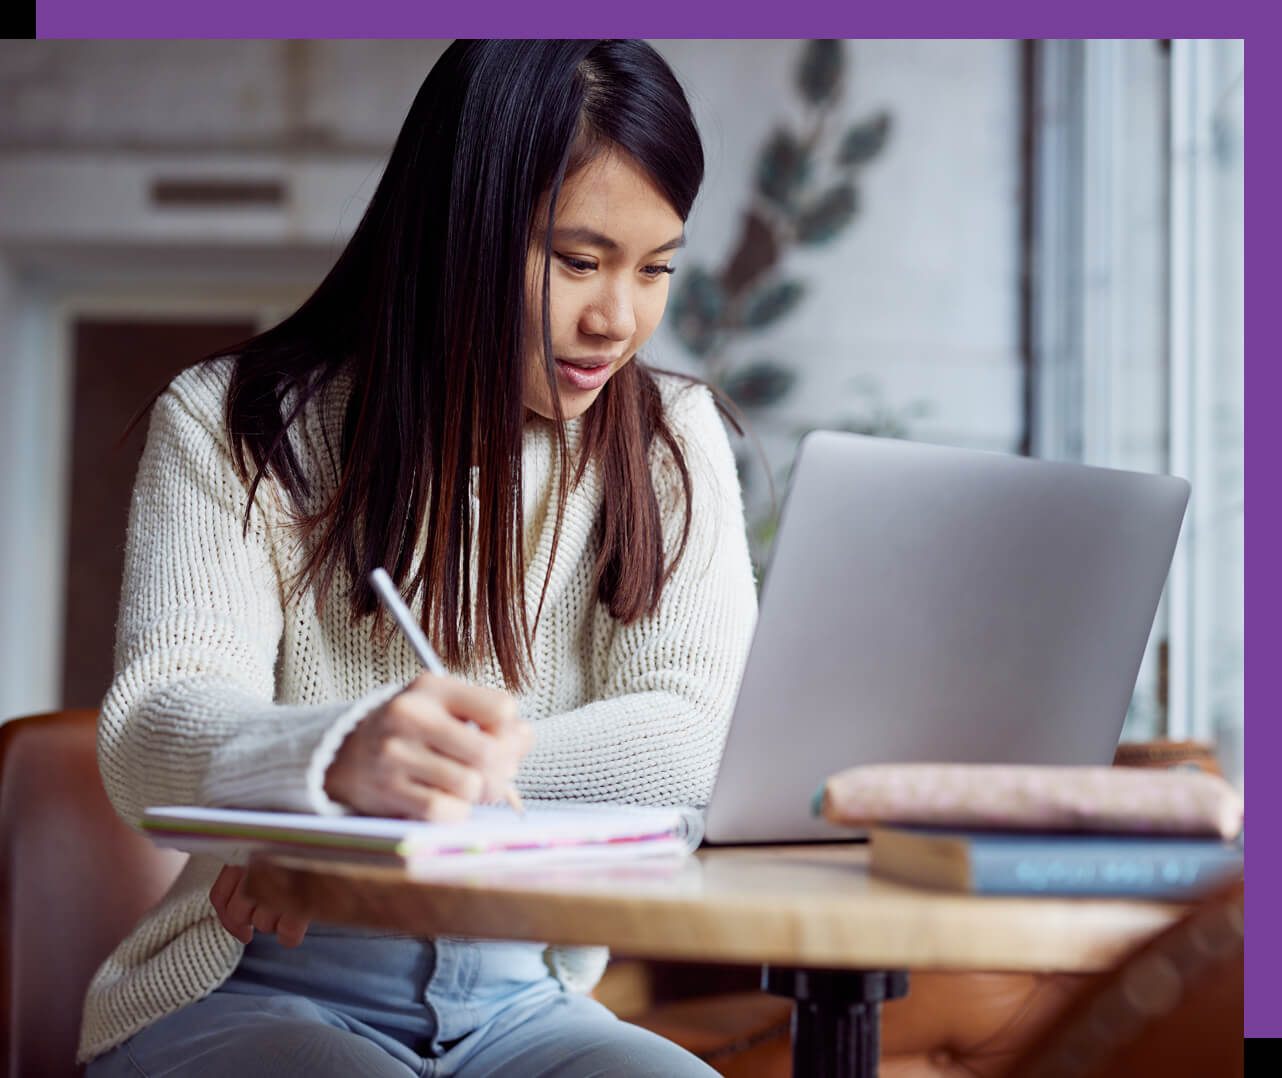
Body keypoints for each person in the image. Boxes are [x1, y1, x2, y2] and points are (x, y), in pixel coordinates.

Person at [79, 39, 758, 1078]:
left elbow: (703, 742)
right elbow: (153, 727)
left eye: (654, 267)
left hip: (525, 1002)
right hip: (254, 979)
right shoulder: (232, 421)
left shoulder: (671, 437)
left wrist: (373, 805)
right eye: (578, 260)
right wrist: (338, 751)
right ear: (460, 231)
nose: (617, 317)